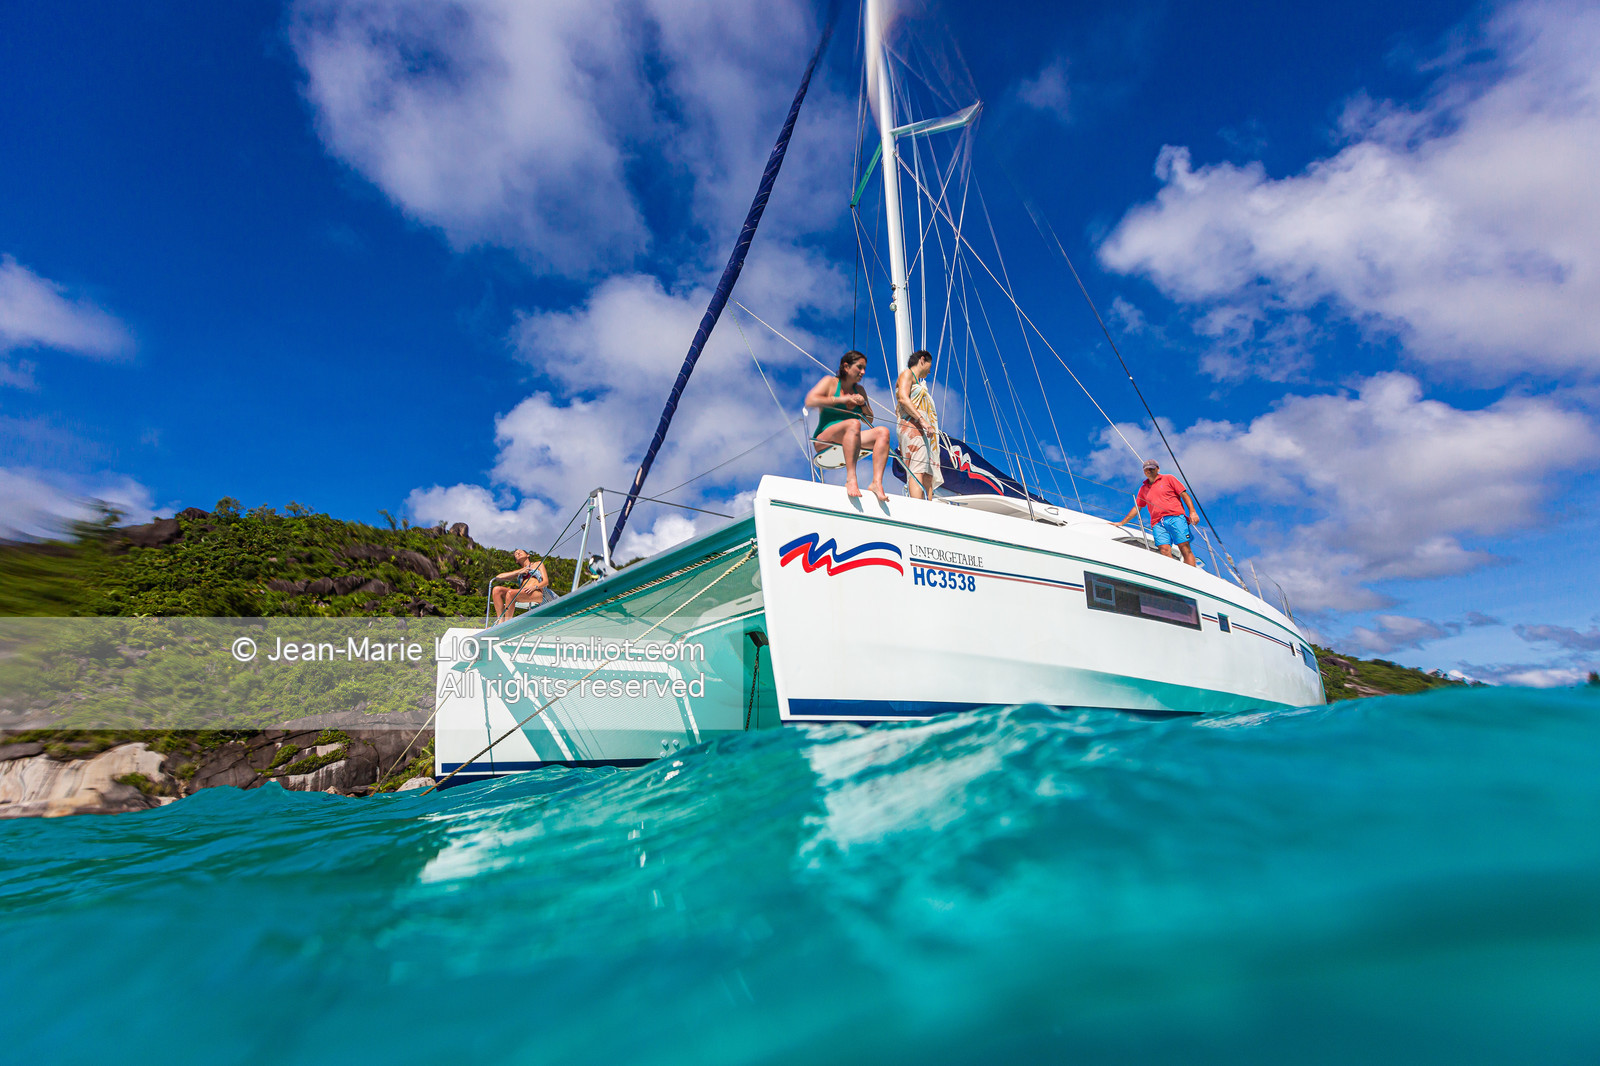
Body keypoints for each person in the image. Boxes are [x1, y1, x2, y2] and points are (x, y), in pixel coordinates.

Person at [806, 350, 890, 502]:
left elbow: (869, 419)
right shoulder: (830, 382)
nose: (863, 372)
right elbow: (811, 400)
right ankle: (851, 479)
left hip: (852, 435)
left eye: (864, 368)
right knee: (853, 423)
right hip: (825, 439)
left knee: (882, 432)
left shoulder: (860, 390)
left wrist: (863, 404)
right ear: (846, 366)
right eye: (859, 367)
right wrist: (843, 399)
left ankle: (876, 483)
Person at [1118, 459, 1200, 566]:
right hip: (1157, 523)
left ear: (1157, 469)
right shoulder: (1143, 489)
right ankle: (1174, 575)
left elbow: (1184, 495)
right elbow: (1137, 508)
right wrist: (1122, 523)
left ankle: (1192, 575)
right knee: (1164, 549)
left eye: (1152, 469)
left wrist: (1192, 512)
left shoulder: (1169, 478)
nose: (1149, 471)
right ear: (1144, 472)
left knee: (1184, 546)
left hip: (1175, 517)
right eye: (1146, 469)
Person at [895, 349, 943, 500]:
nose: (930, 371)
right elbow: (903, 398)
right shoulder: (907, 374)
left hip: (924, 432)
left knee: (928, 473)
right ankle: (918, 506)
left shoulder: (918, 380)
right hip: (912, 427)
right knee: (917, 469)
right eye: (930, 365)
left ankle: (928, 506)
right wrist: (922, 420)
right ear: (922, 360)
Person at [491, 549, 548, 621]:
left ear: (528, 555)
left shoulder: (538, 564)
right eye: (516, 554)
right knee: (497, 590)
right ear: (516, 561)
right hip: (524, 593)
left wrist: (535, 587)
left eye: (520, 551)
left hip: (538, 592)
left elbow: (546, 581)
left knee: (510, 593)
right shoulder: (519, 571)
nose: (518, 553)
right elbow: (498, 577)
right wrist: (518, 572)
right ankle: (500, 621)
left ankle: (507, 622)